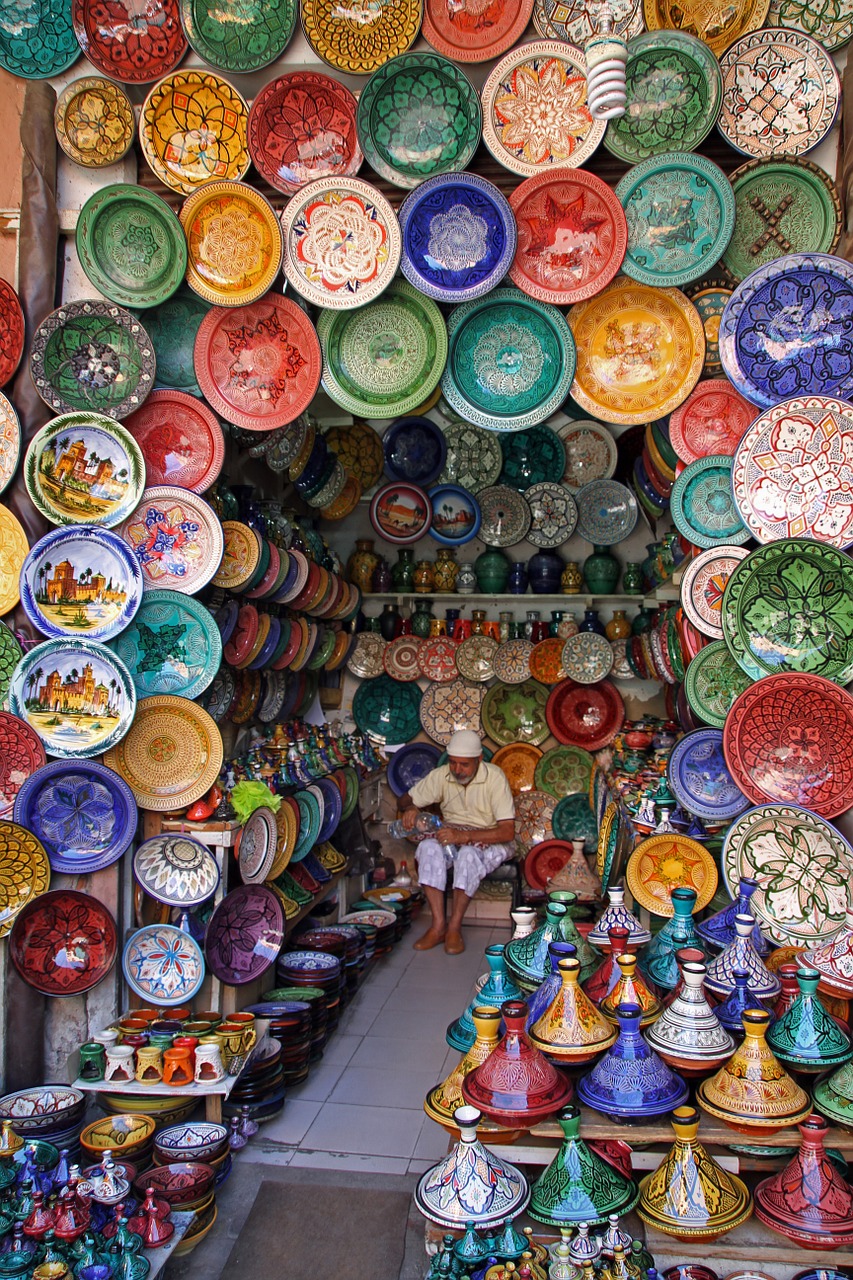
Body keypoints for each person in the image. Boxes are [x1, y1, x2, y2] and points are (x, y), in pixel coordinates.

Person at [397, 729, 516, 955]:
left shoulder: (495, 777)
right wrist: (411, 809)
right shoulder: (442, 775)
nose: (457, 770)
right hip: (453, 835)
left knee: (468, 855)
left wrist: (465, 837)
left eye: (464, 765)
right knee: (428, 847)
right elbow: (404, 800)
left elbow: (507, 831)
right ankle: (438, 926)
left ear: (479, 760)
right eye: (453, 763)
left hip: (491, 838)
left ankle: (454, 927)